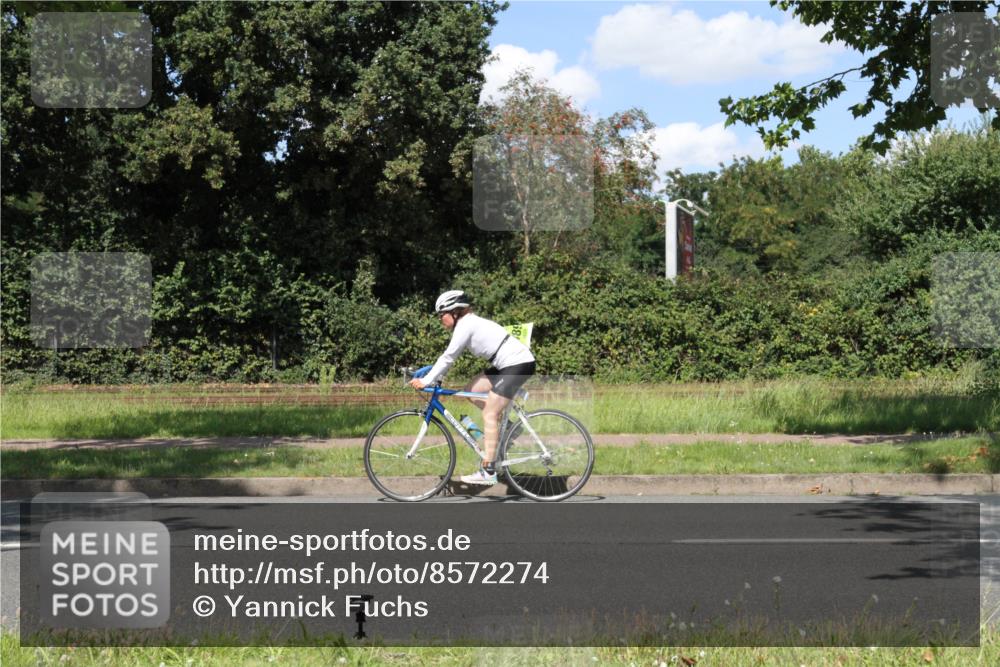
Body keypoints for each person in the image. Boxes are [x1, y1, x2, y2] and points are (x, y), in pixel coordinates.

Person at [409, 290, 536, 485]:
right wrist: (430, 373)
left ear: (454, 312)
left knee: (489, 414)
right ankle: (509, 428)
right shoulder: (467, 324)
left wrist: (426, 381)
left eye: (441, 314)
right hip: (505, 364)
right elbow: (448, 359)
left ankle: (488, 471)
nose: (440, 319)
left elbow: (448, 357)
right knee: (472, 390)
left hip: (517, 364)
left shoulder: (465, 325)